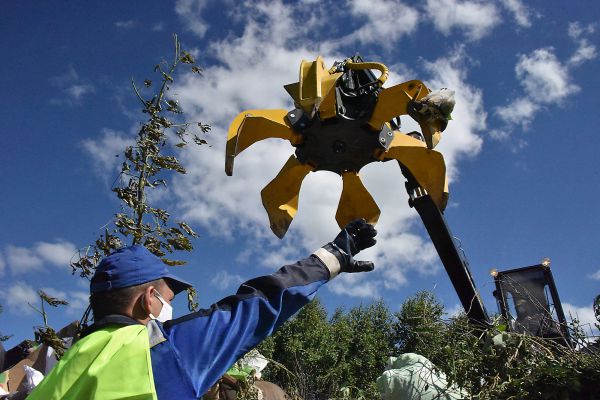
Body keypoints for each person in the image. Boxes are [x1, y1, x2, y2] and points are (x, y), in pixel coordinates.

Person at [28, 219, 377, 399]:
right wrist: (332, 257)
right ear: (149, 299)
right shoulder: (158, 350)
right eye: (168, 296)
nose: (170, 306)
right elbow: (259, 305)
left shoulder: (64, 368)